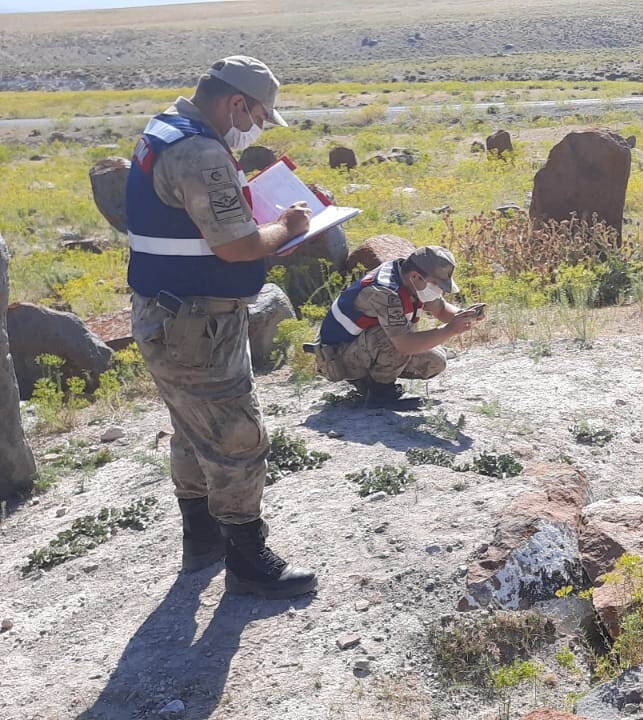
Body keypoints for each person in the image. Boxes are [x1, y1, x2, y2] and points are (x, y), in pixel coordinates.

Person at [126, 56, 317, 598]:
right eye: (257, 114)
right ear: (236, 102)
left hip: (166, 312)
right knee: (236, 435)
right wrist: (286, 227)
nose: (255, 125)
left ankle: (202, 539)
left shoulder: (166, 127)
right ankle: (247, 560)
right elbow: (235, 246)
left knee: (191, 427)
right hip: (197, 325)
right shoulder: (201, 150)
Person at [310, 246, 484, 408]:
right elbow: (404, 344)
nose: (439, 291)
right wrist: (450, 329)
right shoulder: (385, 293)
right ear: (415, 276)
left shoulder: (410, 279)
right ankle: (380, 394)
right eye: (437, 285)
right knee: (394, 339)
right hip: (336, 358)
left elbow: (439, 308)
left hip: (359, 347)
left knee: (434, 361)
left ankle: (367, 382)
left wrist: (464, 316)